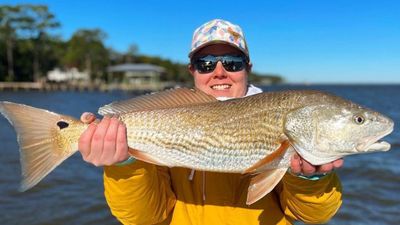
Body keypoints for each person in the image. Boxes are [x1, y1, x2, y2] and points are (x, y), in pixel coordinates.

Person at [78, 19, 344, 225]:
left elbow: (312, 216)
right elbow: (144, 218)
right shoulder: (168, 117)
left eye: (232, 62)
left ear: (247, 68)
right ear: (192, 70)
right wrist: (124, 166)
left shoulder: (283, 118)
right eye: (205, 63)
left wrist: (312, 180)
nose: (219, 72)